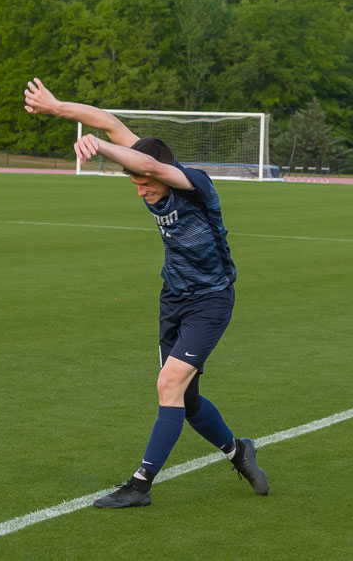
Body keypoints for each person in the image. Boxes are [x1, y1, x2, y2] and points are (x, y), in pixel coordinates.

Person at [23, 77, 268, 508]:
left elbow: (151, 167)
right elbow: (109, 121)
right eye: (134, 184)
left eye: (144, 183)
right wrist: (59, 107)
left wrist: (97, 148)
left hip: (210, 300)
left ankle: (140, 485)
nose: (142, 191)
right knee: (186, 400)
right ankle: (238, 451)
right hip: (173, 297)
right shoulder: (146, 166)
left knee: (168, 384)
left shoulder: (192, 182)